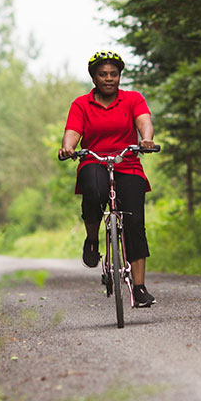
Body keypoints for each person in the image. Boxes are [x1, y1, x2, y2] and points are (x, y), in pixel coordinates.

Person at [58, 50, 158, 308]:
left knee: (135, 221)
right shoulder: (81, 104)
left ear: (120, 76)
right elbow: (72, 133)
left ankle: (139, 287)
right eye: (103, 74)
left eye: (114, 74)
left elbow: (144, 121)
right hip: (94, 160)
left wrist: (145, 138)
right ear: (94, 78)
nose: (109, 79)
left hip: (128, 161)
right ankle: (92, 240)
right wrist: (68, 147)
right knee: (93, 188)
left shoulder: (132, 99)